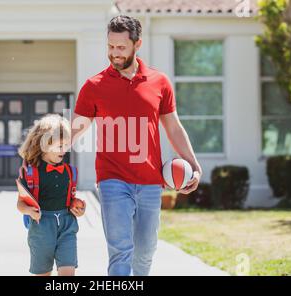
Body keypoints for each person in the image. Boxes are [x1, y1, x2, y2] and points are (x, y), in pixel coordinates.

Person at [70, 15, 203, 276]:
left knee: (144, 253)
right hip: (112, 179)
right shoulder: (94, 86)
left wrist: (194, 165)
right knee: (120, 251)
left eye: (121, 47)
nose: (114, 53)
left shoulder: (159, 82)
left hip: (150, 181)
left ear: (137, 44)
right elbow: (77, 127)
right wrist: (46, 149)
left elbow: (173, 127)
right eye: (110, 46)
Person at [16, 114, 85, 276]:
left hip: (67, 225)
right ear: (45, 145)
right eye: (60, 145)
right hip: (41, 227)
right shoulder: (30, 173)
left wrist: (79, 207)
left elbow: (71, 198)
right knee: (43, 273)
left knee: (68, 272)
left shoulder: (70, 171)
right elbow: (20, 204)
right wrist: (28, 211)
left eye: (67, 145)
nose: (65, 149)